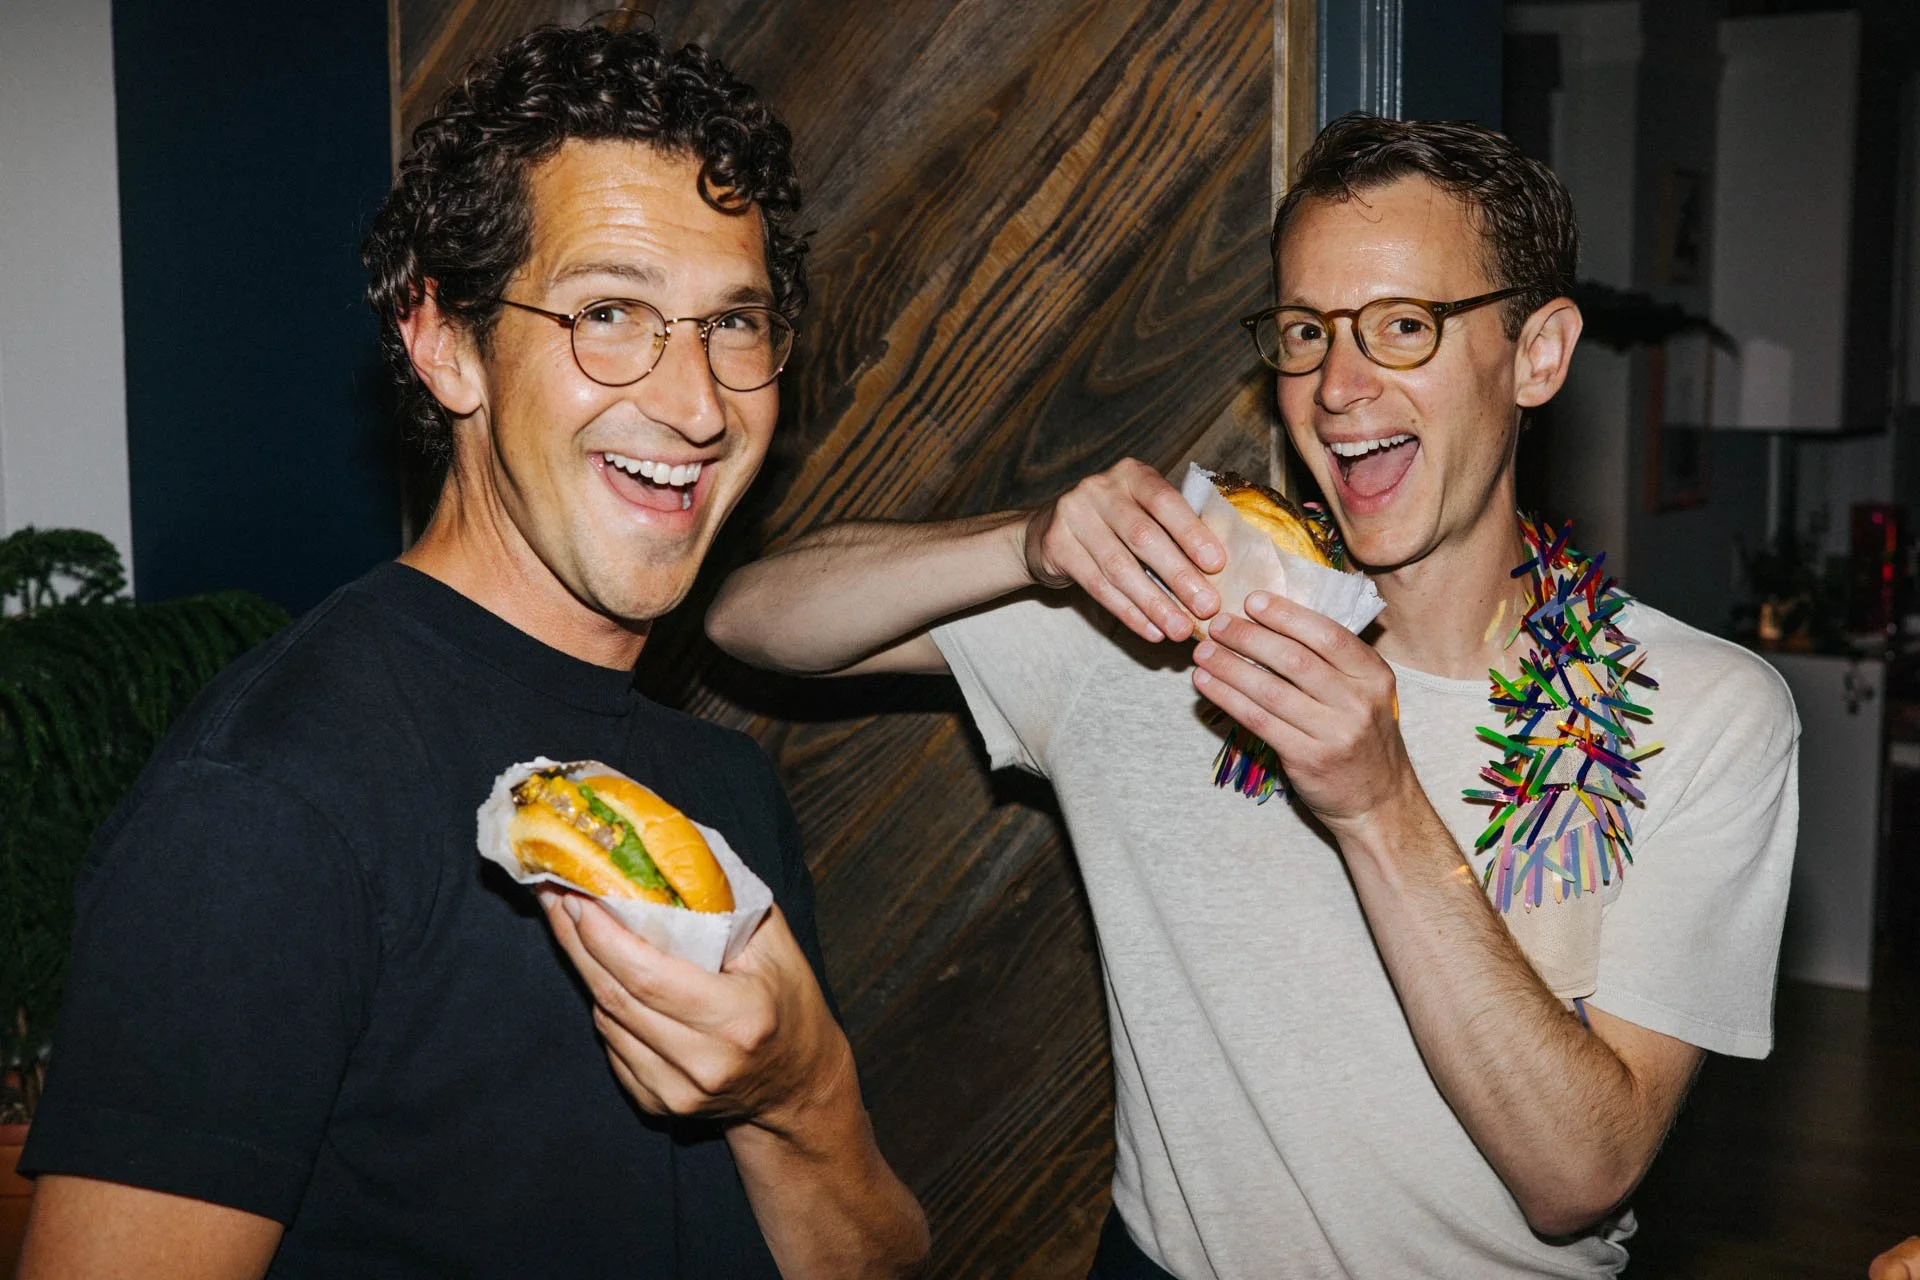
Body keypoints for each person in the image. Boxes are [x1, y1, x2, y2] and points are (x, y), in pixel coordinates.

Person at [707, 114, 1799, 1278]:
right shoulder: (1161, 613)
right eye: (1305, 331)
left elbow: (1580, 1172)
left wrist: (1382, 807)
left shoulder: (1700, 708)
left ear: (1538, 351)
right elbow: (751, 619)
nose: (1337, 386)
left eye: (1401, 326)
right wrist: (1025, 541)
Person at [17, 22, 927, 1280]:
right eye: (611, 312)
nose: (699, 401)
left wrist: (806, 1091)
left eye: (734, 321)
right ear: (443, 340)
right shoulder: (273, 800)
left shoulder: (721, 789)